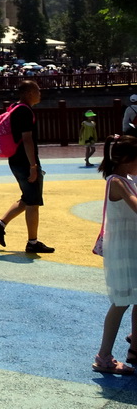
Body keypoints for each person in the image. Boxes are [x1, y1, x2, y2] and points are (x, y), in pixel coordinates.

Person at [0, 80, 53, 253]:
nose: (40, 94)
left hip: (15, 160)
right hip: (25, 161)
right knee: (33, 202)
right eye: (38, 90)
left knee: (28, 197)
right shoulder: (24, 110)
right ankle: (32, 242)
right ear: (30, 92)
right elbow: (27, 139)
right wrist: (33, 166)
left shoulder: (15, 107)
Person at [93, 135, 137, 374]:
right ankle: (104, 356)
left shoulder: (128, 178)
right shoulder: (116, 181)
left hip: (133, 246)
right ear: (128, 159)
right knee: (121, 302)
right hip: (125, 250)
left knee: (136, 298)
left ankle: (135, 346)